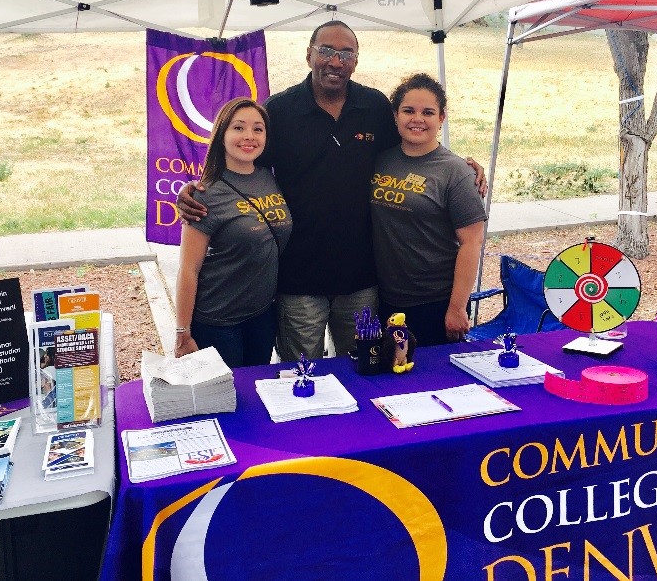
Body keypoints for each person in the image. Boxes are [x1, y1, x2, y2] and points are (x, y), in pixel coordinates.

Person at [177, 20, 485, 361]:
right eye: (326, 51)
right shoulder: (279, 111)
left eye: (346, 53)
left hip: (363, 283)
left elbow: (415, 147)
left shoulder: (375, 107)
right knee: (302, 374)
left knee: (364, 366)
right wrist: (199, 187)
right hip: (298, 281)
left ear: (356, 60)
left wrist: (465, 167)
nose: (335, 61)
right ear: (308, 55)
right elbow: (246, 163)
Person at [370, 73, 487, 345]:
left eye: (428, 112)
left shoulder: (455, 171)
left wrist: (457, 307)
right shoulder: (379, 159)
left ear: (441, 118)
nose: (417, 119)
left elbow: (472, 242)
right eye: (408, 110)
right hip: (385, 299)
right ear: (395, 115)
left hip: (436, 302)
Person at [174, 97, 292, 367]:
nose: (249, 136)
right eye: (238, 128)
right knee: (229, 400)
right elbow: (188, 269)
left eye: (258, 129)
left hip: (262, 315)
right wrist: (182, 331)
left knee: (255, 389)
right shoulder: (205, 194)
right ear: (222, 135)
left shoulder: (269, 177)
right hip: (218, 320)